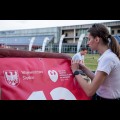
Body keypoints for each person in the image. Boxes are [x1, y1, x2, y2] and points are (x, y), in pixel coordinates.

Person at [71, 23, 120, 100]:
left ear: (97, 39)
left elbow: (89, 91)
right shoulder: (108, 56)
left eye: (89, 39)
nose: (87, 43)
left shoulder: (108, 58)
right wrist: (83, 68)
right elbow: (96, 79)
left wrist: (75, 72)